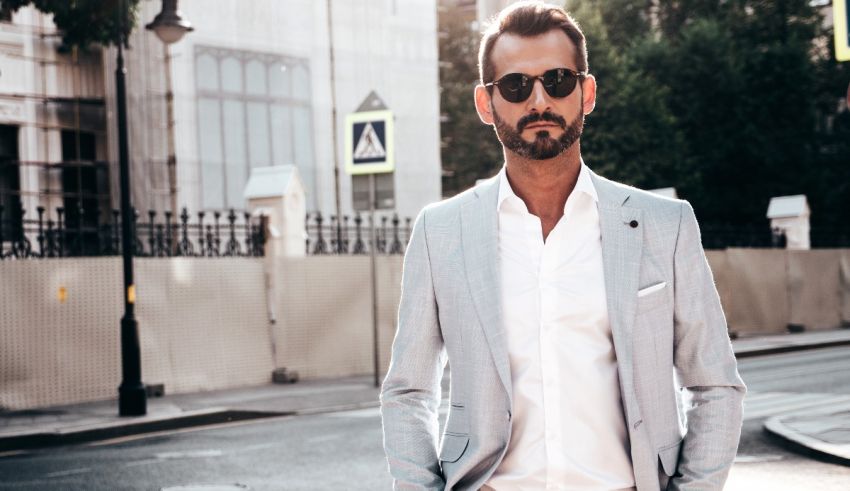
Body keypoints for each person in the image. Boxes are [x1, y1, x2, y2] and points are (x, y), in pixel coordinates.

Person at [380, 2, 746, 490]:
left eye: (557, 81)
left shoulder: (665, 225)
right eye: (515, 85)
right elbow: (408, 390)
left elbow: (716, 385)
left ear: (586, 92)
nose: (538, 101)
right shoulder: (440, 232)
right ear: (486, 104)